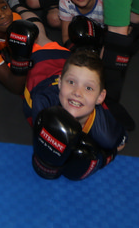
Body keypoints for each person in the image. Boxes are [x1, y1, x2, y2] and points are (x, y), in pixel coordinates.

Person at [24, 43, 127, 181]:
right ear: (60, 83)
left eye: (88, 88)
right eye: (71, 83)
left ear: (100, 97)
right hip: (41, 56)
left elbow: (120, 143)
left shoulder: (104, 130)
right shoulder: (44, 104)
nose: (77, 92)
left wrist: (101, 159)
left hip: (69, 63)